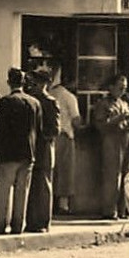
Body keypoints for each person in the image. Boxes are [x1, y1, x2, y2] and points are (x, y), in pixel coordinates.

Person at [0, 68, 40, 235]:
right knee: (22, 191)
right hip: (28, 152)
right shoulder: (34, 102)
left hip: (8, 152)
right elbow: (38, 129)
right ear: (24, 83)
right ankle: (18, 225)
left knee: (2, 191)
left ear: (9, 82)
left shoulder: (5, 102)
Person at [90, 74, 129, 218]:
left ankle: (123, 210)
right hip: (110, 140)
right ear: (111, 87)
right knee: (112, 176)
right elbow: (100, 125)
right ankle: (109, 210)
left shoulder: (124, 103)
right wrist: (119, 118)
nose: (122, 91)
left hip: (124, 139)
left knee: (126, 174)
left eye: (125, 88)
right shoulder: (103, 104)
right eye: (120, 87)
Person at [24, 69, 61, 232]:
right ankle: (31, 221)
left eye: (39, 82)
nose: (36, 85)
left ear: (47, 83)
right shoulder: (31, 100)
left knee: (43, 185)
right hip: (31, 147)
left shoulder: (50, 102)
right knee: (31, 185)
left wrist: (40, 135)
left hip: (44, 148)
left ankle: (42, 222)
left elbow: (55, 129)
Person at [45, 63, 81, 218]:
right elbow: (77, 120)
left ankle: (49, 203)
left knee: (51, 169)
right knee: (65, 170)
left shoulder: (49, 93)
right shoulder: (69, 96)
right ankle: (63, 205)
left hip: (50, 136)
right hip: (65, 135)